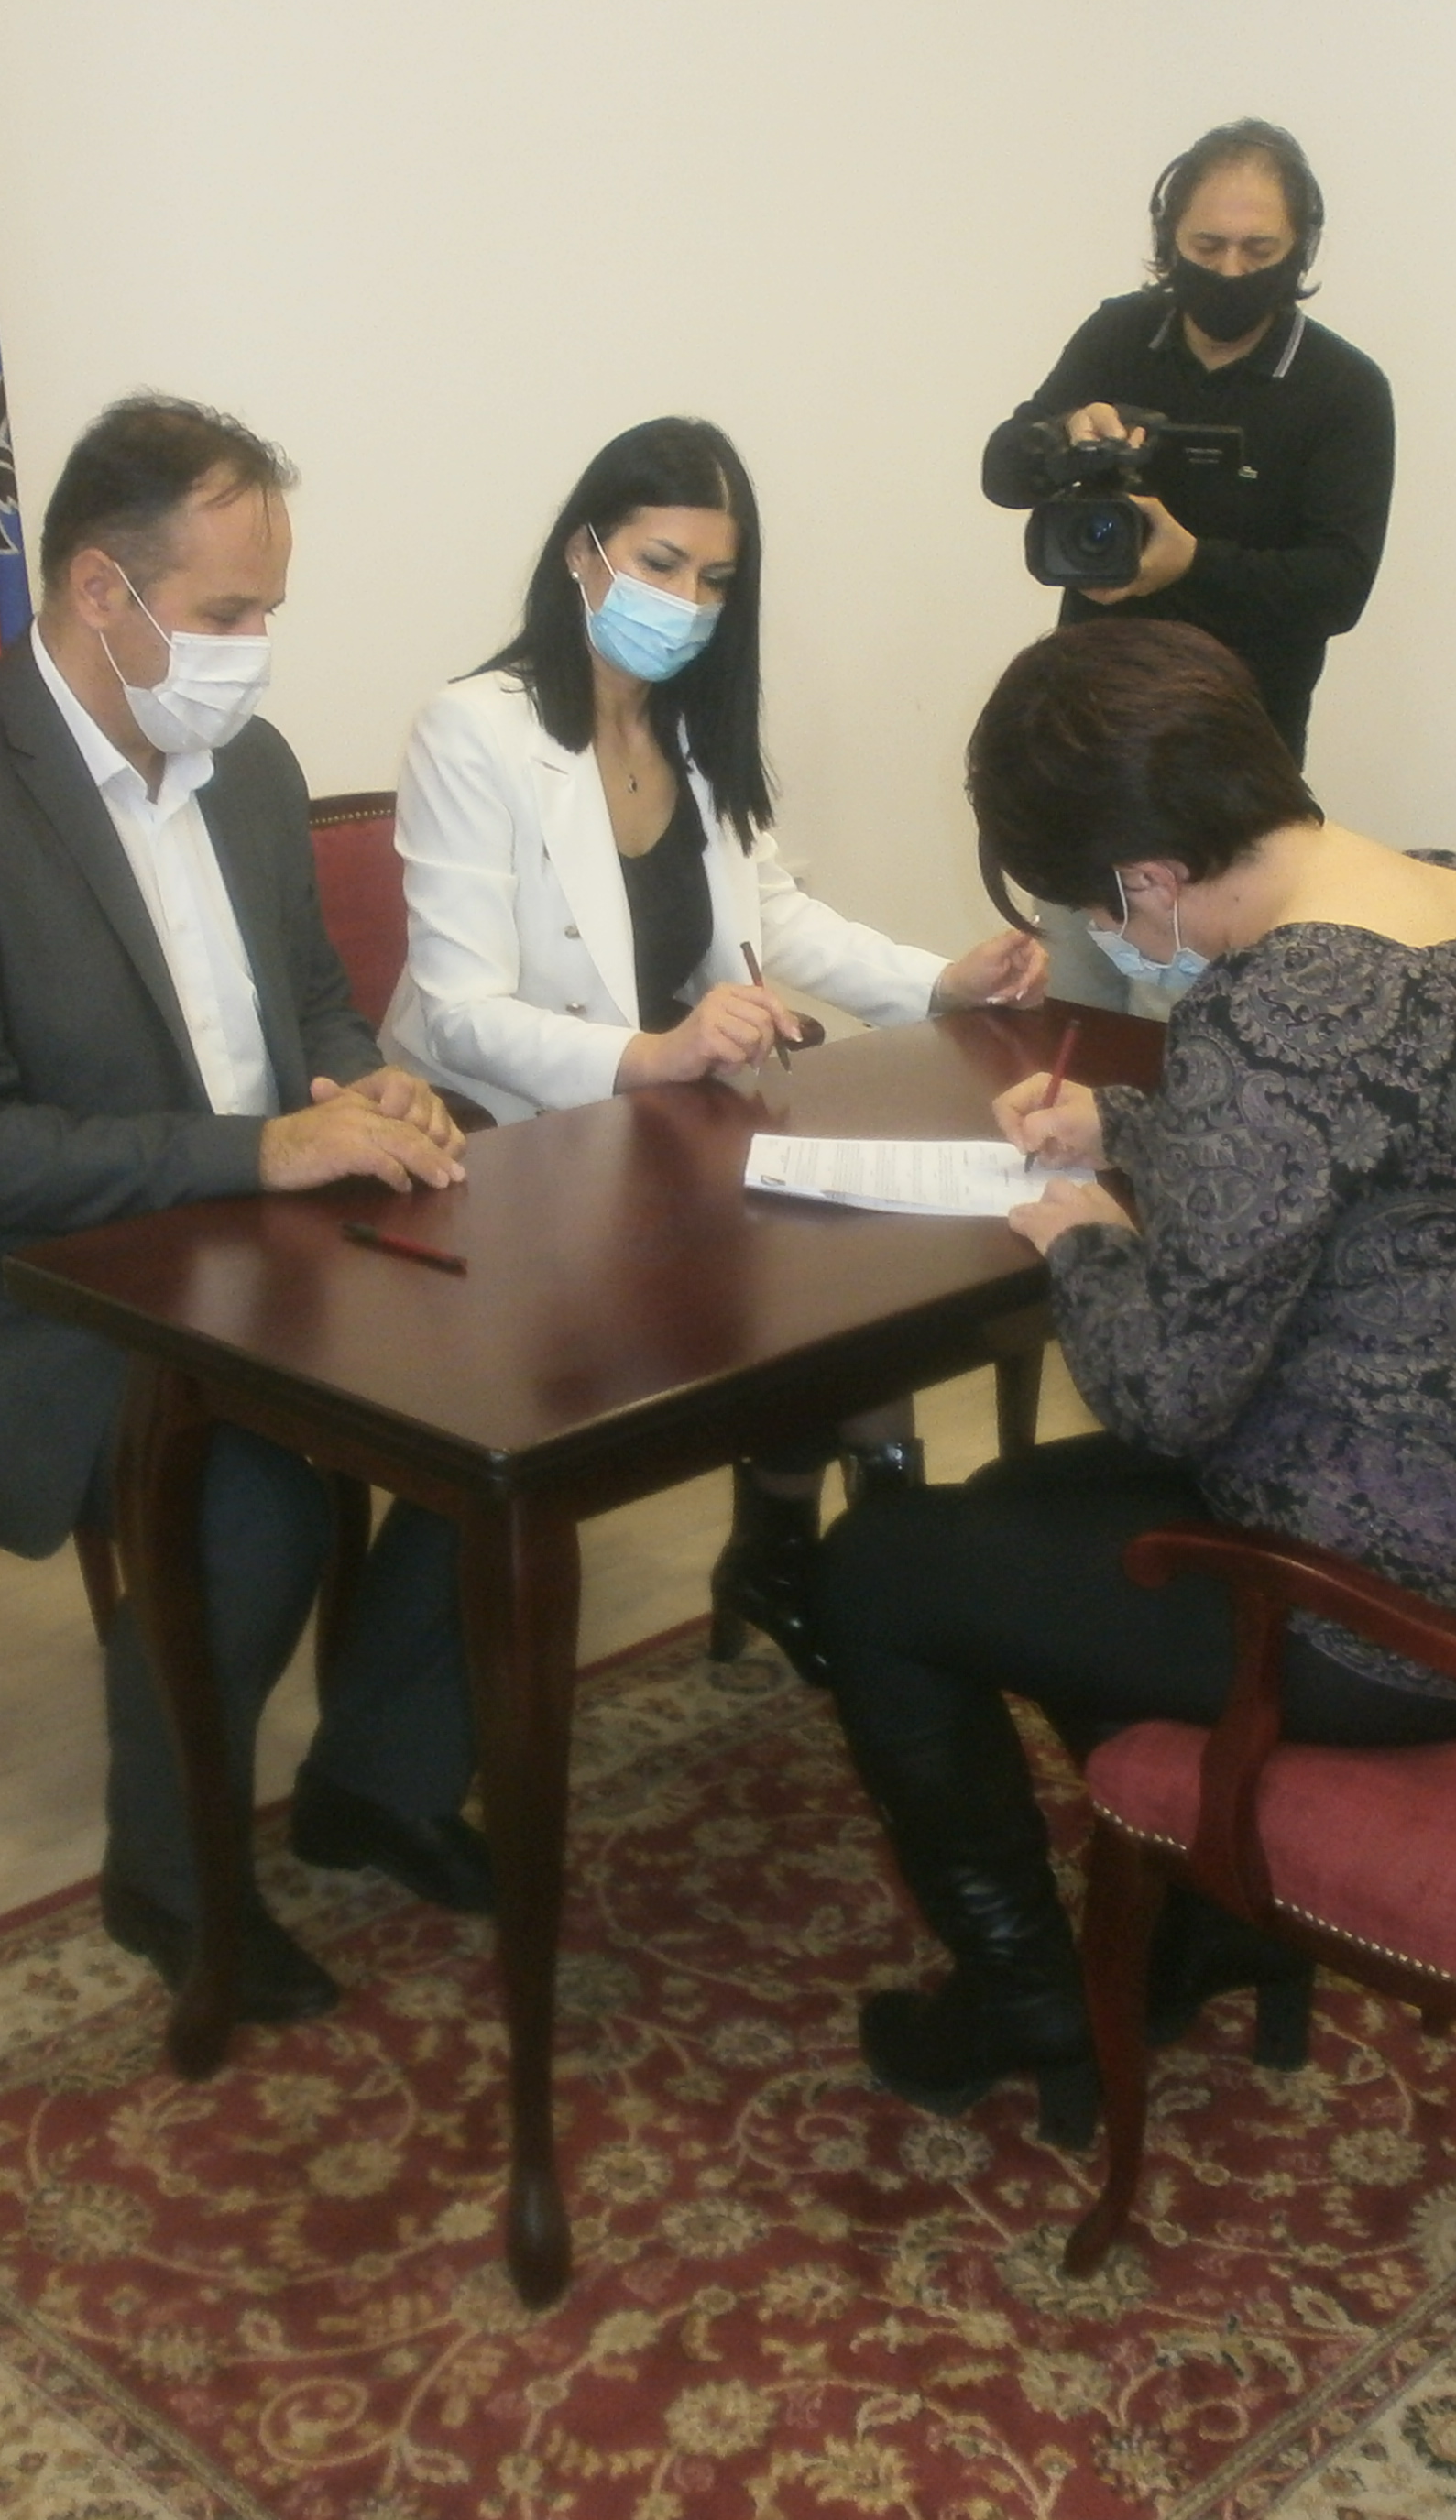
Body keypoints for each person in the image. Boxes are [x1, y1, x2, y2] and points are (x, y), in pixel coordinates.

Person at [816, 619, 1456, 2139]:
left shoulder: (1274, 1013)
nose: (1108, 935)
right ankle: (1220, 1903)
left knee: (876, 1568)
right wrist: (1126, 1132)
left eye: (1094, 904)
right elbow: (1368, 1156)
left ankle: (1024, 1992)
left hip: (1398, 1615)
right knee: (1022, 1506)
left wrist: (1078, 1235)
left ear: (1146, 878)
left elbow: (1164, 1394)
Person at [0, 394, 493, 2028]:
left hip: (243, 1233)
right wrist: (259, 1153)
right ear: (99, 591)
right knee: (250, 1506)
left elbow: (314, 1001)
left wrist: (365, 1084)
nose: (254, 653)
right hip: (19, 1282)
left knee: (502, 1396)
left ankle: (377, 1782)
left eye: (269, 614)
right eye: (227, 614)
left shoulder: (246, 768)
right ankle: (170, 1882)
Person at [384, 416, 1046, 1682]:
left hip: (662, 1118)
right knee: (795, 1248)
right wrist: (658, 1053)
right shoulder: (475, 729)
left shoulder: (692, 726)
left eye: (715, 579)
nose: (686, 603)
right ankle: (810, 1542)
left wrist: (938, 981)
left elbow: (770, 914)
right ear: (581, 552)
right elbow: (460, 1011)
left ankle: (830, 1540)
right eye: (659, 563)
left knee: (857, 1243)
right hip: (506, 1135)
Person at [981, 118, 1395, 1013]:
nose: (1231, 270)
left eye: (1259, 250)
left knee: (1199, 1036)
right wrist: (1060, 438)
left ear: (1301, 247)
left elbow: (1337, 586)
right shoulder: (1118, 336)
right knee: (1075, 1019)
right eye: (1206, 247)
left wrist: (1190, 565)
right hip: (1087, 751)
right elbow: (1001, 473)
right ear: (1168, 238)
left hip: (1232, 784)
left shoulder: (1343, 389)